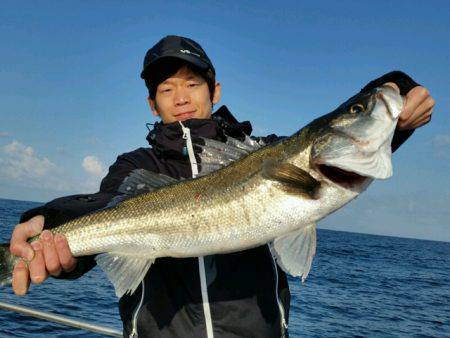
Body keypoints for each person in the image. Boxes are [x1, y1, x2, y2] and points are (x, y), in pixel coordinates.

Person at [9, 35, 435, 338]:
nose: (180, 97)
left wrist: (398, 99)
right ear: (151, 103)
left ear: (214, 90)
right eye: (166, 88)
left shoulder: (266, 152)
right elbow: (101, 208)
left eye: (192, 83)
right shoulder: (136, 167)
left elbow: (363, 113)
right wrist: (46, 220)